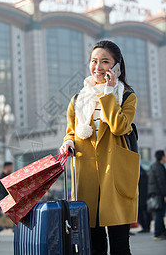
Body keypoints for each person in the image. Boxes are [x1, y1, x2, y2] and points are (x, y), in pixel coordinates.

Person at [60, 40, 140, 255]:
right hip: (87, 178)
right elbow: (71, 130)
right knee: (93, 246)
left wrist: (108, 93)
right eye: (94, 61)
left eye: (105, 61)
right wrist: (68, 141)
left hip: (115, 175)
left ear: (117, 67)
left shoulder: (126, 96)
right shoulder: (78, 99)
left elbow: (120, 127)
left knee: (120, 245)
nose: (98, 67)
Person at [148, 150, 166, 240]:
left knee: (159, 214)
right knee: (159, 214)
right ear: (162, 157)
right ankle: (158, 233)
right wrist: (165, 194)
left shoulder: (153, 166)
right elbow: (162, 182)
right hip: (159, 194)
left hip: (154, 194)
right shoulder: (159, 167)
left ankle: (161, 232)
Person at [138, 166, 152, 233]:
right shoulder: (145, 174)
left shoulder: (136, 174)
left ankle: (145, 227)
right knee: (147, 213)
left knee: (140, 213)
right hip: (146, 196)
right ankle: (147, 227)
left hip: (140, 196)